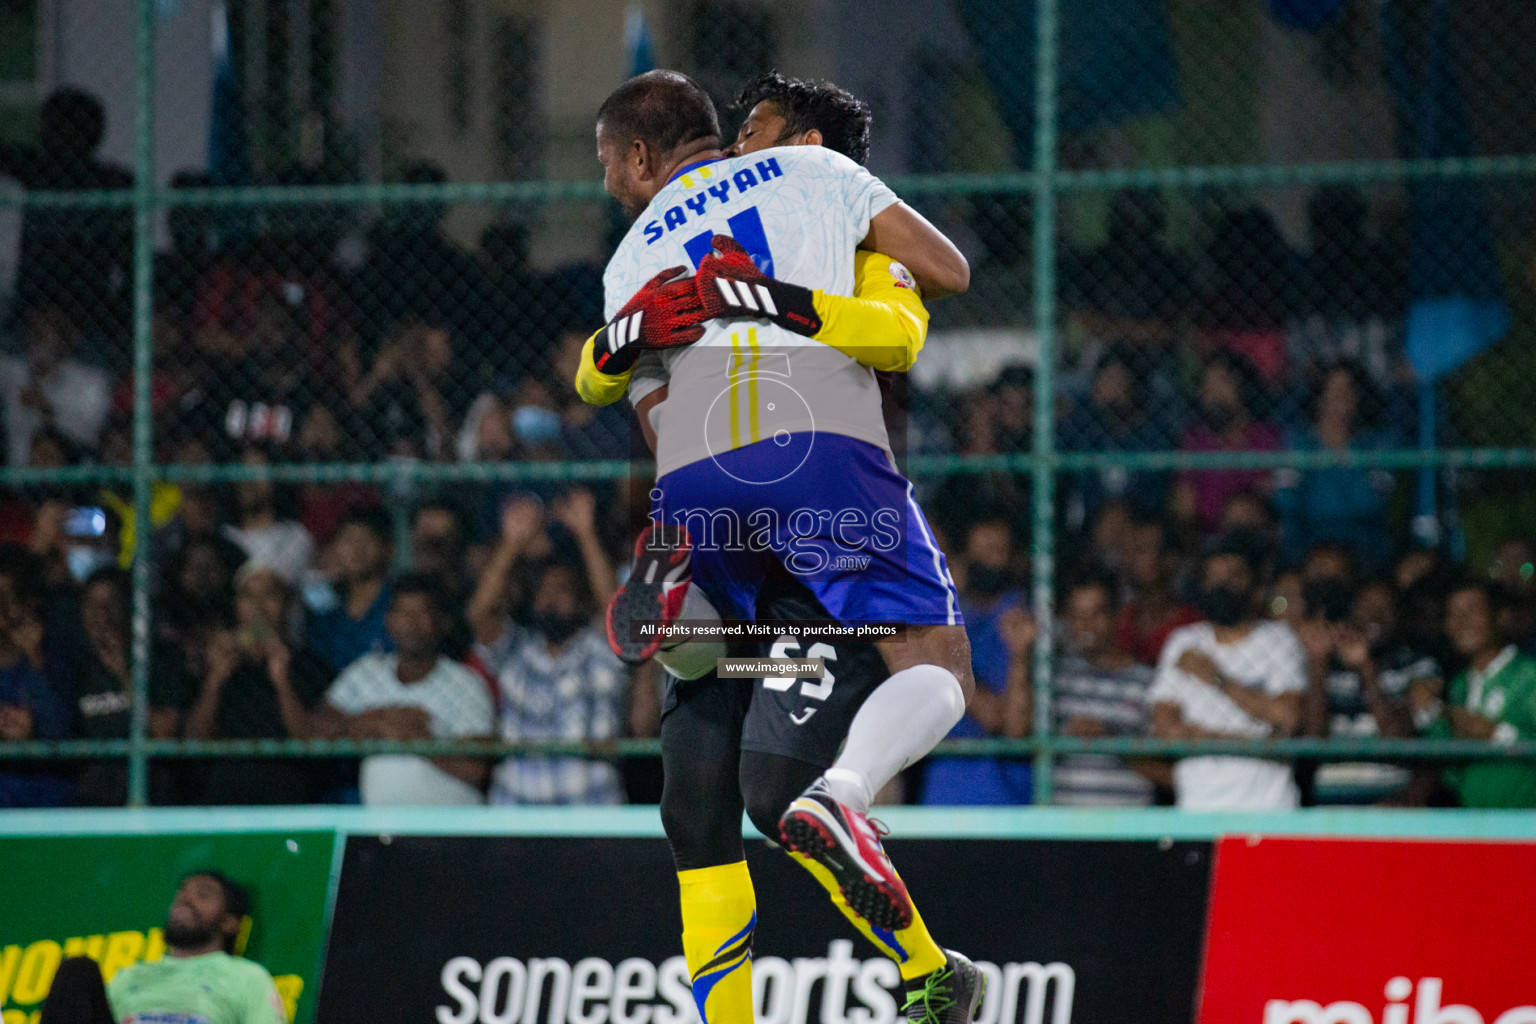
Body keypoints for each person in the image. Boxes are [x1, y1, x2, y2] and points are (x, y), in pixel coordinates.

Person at [584, 70, 982, 1024]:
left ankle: (702, 628)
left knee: (703, 804)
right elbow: (941, 280)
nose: (607, 186)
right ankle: (846, 793)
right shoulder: (821, 182)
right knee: (936, 666)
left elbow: (634, 398)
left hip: (694, 476)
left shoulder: (634, 254)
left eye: (608, 166)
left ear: (641, 159)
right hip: (818, 452)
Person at [469, 495, 627, 804]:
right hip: (518, 814)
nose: (552, 597)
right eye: (545, 590)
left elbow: (616, 615)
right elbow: (479, 615)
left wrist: (586, 534)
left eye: (564, 590)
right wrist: (512, 543)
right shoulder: (516, 651)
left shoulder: (599, 654)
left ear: (582, 601)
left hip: (590, 814)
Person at [1149, 535, 1307, 810]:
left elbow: (1288, 718)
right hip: (1198, 807)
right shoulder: (1185, 642)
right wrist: (1250, 742)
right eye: (1214, 578)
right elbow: (1165, 727)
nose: (1222, 586)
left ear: (1254, 584)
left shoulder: (1279, 640)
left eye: (1233, 577)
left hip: (1268, 808)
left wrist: (1216, 678)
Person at [312, 574, 493, 805]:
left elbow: (476, 770)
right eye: (403, 613)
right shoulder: (367, 671)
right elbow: (315, 729)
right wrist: (374, 721)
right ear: (389, 621)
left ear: (443, 622)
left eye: (422, 613)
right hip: (382, 831)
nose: (412, 622)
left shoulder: (467, 684)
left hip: (451, 832)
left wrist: (413, 738)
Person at [185, 565, 334, 805]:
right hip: (225, 795)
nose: (259, 606)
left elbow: (308, 743)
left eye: (270, 595)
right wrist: (215, 680)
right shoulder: (213, 662)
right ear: (236, 604)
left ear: (286, 605)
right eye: (249, 596)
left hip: (288, 794)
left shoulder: (309, 665)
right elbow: (193, 743)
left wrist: (281, 680)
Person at [919, 516, 1034, 805]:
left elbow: (1005, 722)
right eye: (982, 553)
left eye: (999, 553)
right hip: (942, 794)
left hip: (1004, 798)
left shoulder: (1018, 615)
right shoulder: (945, 618)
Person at [1299, 578, 1439, 806]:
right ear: (1350, 614)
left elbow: (1399, 743)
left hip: (1391, 808)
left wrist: (1366, 670)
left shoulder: (1416, 666)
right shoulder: (1324, 667)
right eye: (1366, 607)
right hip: (1329, 810)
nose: (1376, 615)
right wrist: (1318, 665)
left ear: (1400, 616)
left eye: (1386, 608)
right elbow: (1312, 739)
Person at [71, 567, 195, 806]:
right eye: (93, 605)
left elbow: (164, 733)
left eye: (110, 604)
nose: (102, 614)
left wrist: (124, 675)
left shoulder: (160, 660)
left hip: (151, 792)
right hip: (92, 796)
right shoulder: (76, 665)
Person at [107, 871, 286, 1024]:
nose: (185, 898)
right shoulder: (129, 977)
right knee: (83, 970)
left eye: (203, 894)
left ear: (229, 922)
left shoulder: (248, 978)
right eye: (182, 891)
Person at [1275, 360, 1396, 571]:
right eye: (1333, 390)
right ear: (1320, 396)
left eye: (1348, 390)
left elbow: (1372, 503)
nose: (1340, 398)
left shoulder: (1377, 445)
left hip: (1361, 542)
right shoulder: (1298, 444)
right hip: (1309, 541)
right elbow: (1286, 500)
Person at [1426, 579, 1536, 807]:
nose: (1462, 623)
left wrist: (1496, 734)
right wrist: (1428, 715)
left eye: (1472, 611)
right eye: (1453, 614)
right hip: (1475, 827)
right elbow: (1452, 777)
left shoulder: (1529, 675)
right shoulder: (1458, 686)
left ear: (1500, 617)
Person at [1053, 574, 1161, 806]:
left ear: (1117, 617)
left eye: (1096, 614)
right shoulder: (1055, 677)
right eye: (1077, 615)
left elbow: (1166, 772)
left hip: (1128, 828)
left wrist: (1110, 739)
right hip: (1062, 826)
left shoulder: (1149, 682)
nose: (1086, 625)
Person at [1174, 351, 1281, 534]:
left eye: (1221, 383)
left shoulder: (1264, 438)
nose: (1213, 395)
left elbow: (1268, 494)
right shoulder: (1195, 440)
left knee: (1241, 511)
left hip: (1250, 534)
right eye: (1207, 387)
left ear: (1242, 388)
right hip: (1205, 535)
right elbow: (1185, 500)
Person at [0, 301, 113, 467]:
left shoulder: (90, 382)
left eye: (45, 332)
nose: (36, 338)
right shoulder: (14, 371)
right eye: (34, 331)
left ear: (68, 339)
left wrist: (49, 411)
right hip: (14, 478)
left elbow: (91, 433)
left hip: (67, 476)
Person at [0, 545, 72, 806]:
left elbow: (62, 730)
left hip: (43, 794)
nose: (3, 609)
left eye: (9, 598)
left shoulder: (52, 655)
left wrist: (35, 660)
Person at [307, 505, 394, 671]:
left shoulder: (397, 604)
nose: (357, 549)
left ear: (388, 548)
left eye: (367, 540)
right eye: (349, 540)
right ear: (335, 547)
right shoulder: (325, 610)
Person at [1116, 513, 1200, 667]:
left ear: (1169, 560)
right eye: (1127, 551)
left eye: (1140, 550)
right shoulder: (1117, 619)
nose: (1129, 559)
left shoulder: (1192, 626)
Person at [221, 447, 315, 584]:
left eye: (257, 472)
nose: (248, 480)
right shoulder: (225, 535)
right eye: (243, 471)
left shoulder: (294, 536)